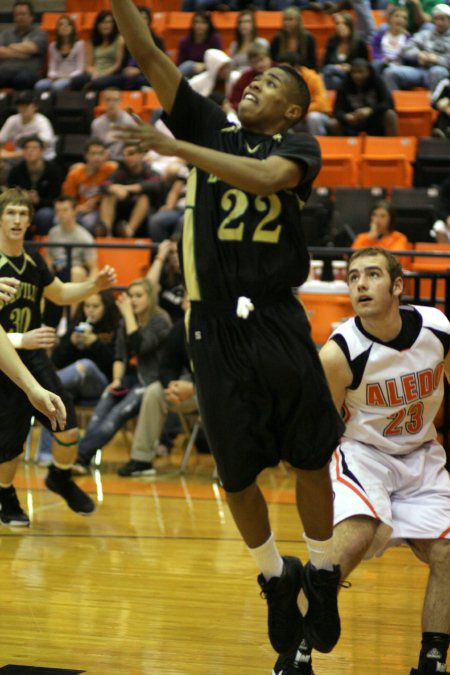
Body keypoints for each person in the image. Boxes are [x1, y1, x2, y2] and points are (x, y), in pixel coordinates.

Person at [110, 0, 345, 659]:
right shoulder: (211, 124)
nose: (253, 85)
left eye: (270, 84)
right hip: (212, 324)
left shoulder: (297, 145)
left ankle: (322, 570)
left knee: (309, 456)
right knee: (235, 475)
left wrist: (177, 148)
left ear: (294, 109)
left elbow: (268, 180)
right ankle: (276, 577)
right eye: (252, 79)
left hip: (274, 314)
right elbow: (148, 51)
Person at [274, 247, 450, 674]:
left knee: (447, 553)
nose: (360, 284)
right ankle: (294, 653)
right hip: (363, 454)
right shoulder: (339, 353)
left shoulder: (438, 329)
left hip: (422, 454)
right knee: (350, 542)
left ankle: (432, 661)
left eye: (372, 275)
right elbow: (317, 427)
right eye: (353, 277)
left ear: (397, 286)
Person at [0, 187, 117, 527]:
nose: (18, 220)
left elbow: (61, 293)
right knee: (12, 440)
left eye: (23, 214)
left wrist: (94, 285)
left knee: (65, 422)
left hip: (35, 357)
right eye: (11, 213)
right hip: (7, 358)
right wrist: (21, 337)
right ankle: (5, 494)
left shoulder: (33, 259)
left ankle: (61, 476)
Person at [73, 278, 171, 474]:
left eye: (139, 296)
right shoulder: (124, 321)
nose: (133, 301)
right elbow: (119, 356)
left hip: (151, 381)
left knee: (116, 416)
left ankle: (80, 457)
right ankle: (82, 459)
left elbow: (141, 347)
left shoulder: (160, 320)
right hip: (129, 378)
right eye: (131, 296)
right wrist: (116, 381)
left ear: (150, 298)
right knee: (103, 406)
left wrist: (128, 316)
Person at [36, 289, 120, 467]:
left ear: (106, 307)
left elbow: (115, 365)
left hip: (102, 387)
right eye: (87, 306)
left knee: (85, 365)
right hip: (73, 386)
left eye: (96, 306)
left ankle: (36, 388)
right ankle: (45, 455)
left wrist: (95, 344)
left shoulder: (116, 329)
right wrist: (70, 343)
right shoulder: (77, 326)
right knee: (57, 397)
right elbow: (57, 361)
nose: (90, 310)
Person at [117, 305, 197, 477]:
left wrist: (194, 388)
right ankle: (141, 459)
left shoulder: (221, 328)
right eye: (186, 300)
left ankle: (231, 468)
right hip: (190, 390)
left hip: (221, 391)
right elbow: (167, 366)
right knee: (154, 391)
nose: (187, 304)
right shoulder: (181, 328)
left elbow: (229, 374)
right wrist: (171, 387)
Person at [99, 141, 164, 238]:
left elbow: (155, 185)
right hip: (122, 206)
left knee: (144, 197)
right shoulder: (122, 170)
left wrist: (125, 188)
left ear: (141, 154)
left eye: (131, 153)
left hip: (145, 210)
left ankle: (129, 232)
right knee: (108, 195)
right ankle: (107, 232)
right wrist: (113, 188)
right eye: (124, 155)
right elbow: (104, 184)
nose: (127, 158)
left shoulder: (149, 171)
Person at [383, 4, 450, 93]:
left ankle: (435, 105)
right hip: (421, 71)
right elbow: (405, 49)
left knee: (436, 71)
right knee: (390, 72)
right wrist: (419, 54)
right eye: (436, 19)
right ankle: (393, 105)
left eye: (442, 19)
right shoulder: (425, 34)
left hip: (442, 72)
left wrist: (437, 59)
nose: (438, 22)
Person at [6, 134, 63, 236]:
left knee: (44, 215)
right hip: (21, 207)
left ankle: (44, 245)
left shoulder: (53, 170)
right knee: (14, 215)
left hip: (45, 207)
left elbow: (57, 197)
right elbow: (10, 194)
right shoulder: (16, 170)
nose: (30, 151)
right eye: (27, 148)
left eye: (34, 148)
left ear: (42, 151)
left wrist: (39, 200)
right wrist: (24, 198)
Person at [62, 137, 117, 234]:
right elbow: (67, 199)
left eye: (100, 153)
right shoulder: (75, 173)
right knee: (58, 219)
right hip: (78, 209)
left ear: (105, 155)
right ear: (86, 155)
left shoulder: (111, 169)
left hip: (99, 211)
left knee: (88, 222)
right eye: (93, 154)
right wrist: (78, 208)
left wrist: (95, 202)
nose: (97, 157)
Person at [330, 59, 398, 136]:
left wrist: (370, 110)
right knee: (333, 123)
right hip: (352, 122)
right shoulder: (344, 85)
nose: (356, 76)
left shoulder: (377, 82)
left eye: (360, 72)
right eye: (354, 72)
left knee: (390, 114)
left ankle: (391, 146)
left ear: (368, 72)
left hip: (374, 120)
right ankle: (342, 147)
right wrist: (346, 116)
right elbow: (336, 110)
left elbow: (389, 103)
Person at [69, 10, 124, 92]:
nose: (106, 25)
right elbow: (88, 65)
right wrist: (94, 73)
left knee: (99, 83)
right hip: (95, 74)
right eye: (103, 23)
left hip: (112, 74)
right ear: (98, 25)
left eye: (109, 22)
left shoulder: (119, 40)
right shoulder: (92, 42)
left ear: (113, 25)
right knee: (75, 81)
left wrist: (103, 75)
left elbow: (118, 64)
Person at [0, 0, 47, 91]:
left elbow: (32, 48)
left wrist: (8, 49)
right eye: (17, 14)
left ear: (32, 17)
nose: (20, 17)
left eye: (23, 14)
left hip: (28, 73)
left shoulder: (40, 33)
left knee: (22, 79)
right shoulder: (6, 34)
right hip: (4, 72)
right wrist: (22, 53)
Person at [0, 90, 57, 162]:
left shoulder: (42, 121)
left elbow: (40, 147)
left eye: (26, 105)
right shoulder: (12, 120)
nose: (22, 108)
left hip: (43, 158)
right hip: (18, 158)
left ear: (35, 107)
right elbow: (1, 141)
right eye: (20, 105)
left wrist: (9, 155)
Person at [34, 14, 85, 93]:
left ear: (72, 28)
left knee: (57, 86)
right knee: (39, 85)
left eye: (67, 25)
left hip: (72, 78)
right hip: (57, 77)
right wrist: (53, 76)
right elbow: (52, 68)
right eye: (61, 25)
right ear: (57, 28)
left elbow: (80, 69)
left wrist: (67, 77)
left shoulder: (79, 45)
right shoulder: (52, 46)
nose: (64, 27)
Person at [321, 13, 369, 90]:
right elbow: (325, 63)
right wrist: (336, 67)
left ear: (350, 26)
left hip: (352, 76)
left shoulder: (359, 43)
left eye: (344, 23)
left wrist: (351, 67)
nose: (340, 26)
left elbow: (365, 65)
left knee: (328, 70)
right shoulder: (332, 42)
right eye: (338, 24)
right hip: (334, 75)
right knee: (334, 79)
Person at [176, 11, 223, 80]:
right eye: (196, 22)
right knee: (187, 67)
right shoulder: (185, 41)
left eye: (203, 22)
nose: (199, 25)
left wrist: (204, 66)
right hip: (189, 73)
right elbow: (181, 63)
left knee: (188, 65)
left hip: (208, 72)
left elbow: (218, 61)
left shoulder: (214, 39)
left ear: (209, 25)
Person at [270, 7, 317, 71]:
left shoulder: (308, 38)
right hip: (282, 73)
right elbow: (273, 60)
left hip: (303, 72)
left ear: (298, 21)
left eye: (290, 20)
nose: (286, 23)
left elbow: (312, 63)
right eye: (285, 20)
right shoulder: (278, 38)